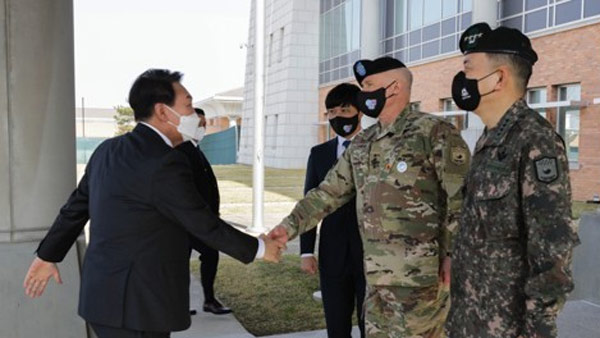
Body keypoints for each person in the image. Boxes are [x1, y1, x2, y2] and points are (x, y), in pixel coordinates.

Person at [23, 69, 283, 338]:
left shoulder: (107, 151)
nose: (195, 115)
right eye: (188, 105)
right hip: (138, 306)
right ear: (163, 112)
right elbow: (201, 222)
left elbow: (75, 209)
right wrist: (261, 249)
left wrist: (48, 255)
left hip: (103, 301)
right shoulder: (164, 161)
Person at [269, 57, 470, 337]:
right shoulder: (363, 143)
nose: (363, 94)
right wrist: (287, 227)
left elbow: (462, 199)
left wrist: (453, 255)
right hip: (375, 282)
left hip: (420, 283)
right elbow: (327, 193)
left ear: (395, 87)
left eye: (369, 85)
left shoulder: (434, 133)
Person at [446, 23, 580, 338]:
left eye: (469, 69)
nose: (462, 80)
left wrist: (538, 329)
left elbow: (552, 245)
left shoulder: (535, 140)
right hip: (470, 319)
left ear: (499, 78)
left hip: (507, 326)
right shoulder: (490, 139)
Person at [299, 83, 366, 337]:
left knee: (371, 325)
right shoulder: (319, 154)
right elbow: (310, 202)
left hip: (371, 254)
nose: (338, 117)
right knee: (337, 327)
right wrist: (306, 251)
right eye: (331, 112)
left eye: (345, 109)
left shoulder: (377, 147)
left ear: (359, 112)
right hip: (333, 253)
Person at [177, 107, 231, 315]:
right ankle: (184, 303)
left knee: (209, 255)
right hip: (190, 222)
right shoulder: (182, 151)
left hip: (203, 220)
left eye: (204, 124)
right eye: (199, 124)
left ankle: (207, 300)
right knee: (185, 261)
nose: (203, 127)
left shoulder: (195, 149)